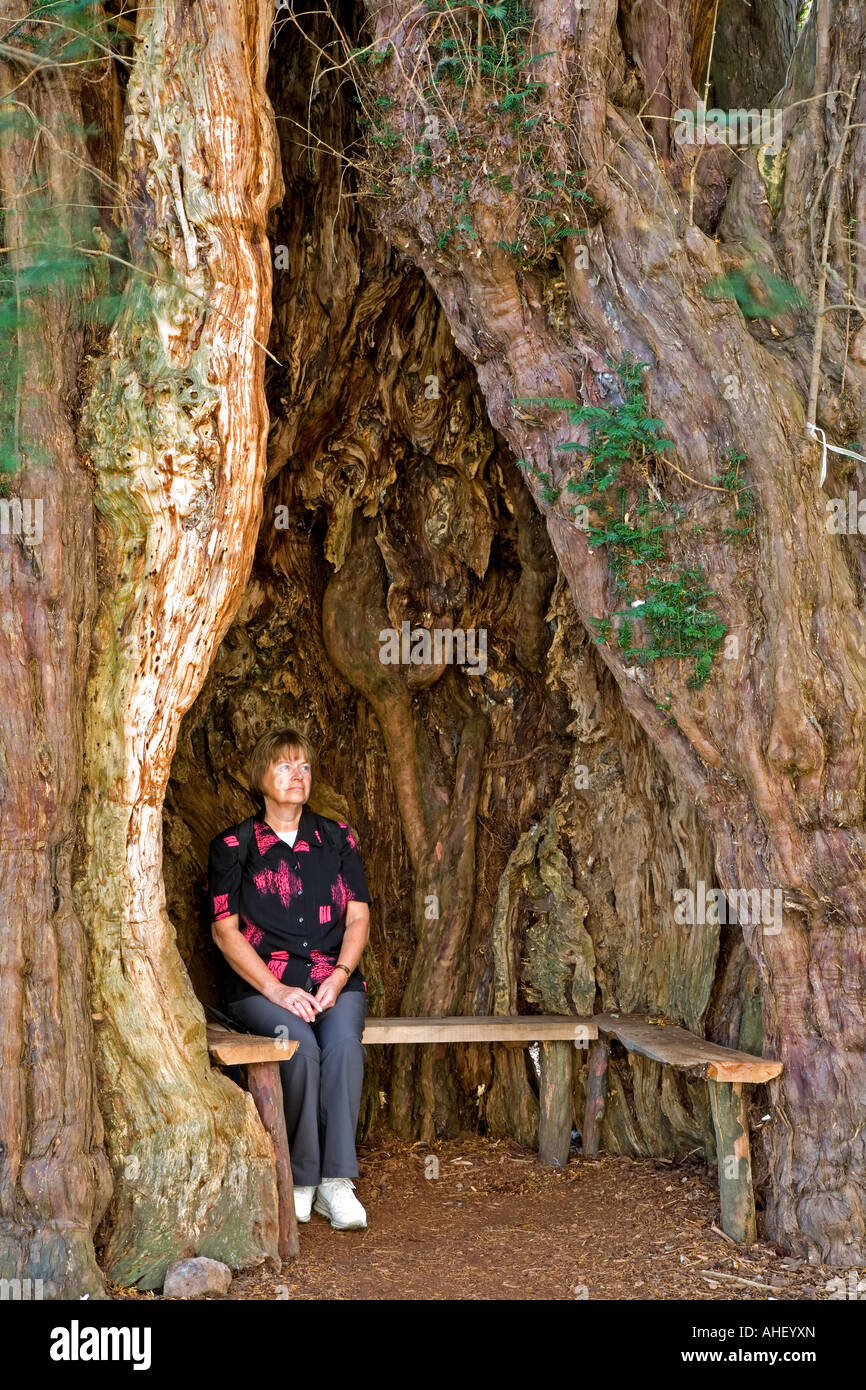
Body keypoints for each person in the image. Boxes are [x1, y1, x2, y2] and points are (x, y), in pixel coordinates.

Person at [207, 728, 371, 1231]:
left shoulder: (338, 838)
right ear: (261, 778)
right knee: (297, 1045)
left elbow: (359, 917)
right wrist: (277, 990)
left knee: (343, 1045)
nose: (296, 775)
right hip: (262, 986)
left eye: (303, 766)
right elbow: (224, 931)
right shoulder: (233, 847)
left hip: (332, 978)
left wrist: (339, 977)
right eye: (283, 766)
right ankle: (302, 1178)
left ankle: (335, 1184)